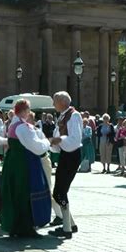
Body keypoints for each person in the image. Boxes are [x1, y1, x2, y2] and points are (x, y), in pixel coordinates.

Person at [1, 99, 51, 237]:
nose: (29, 113)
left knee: (16, 194)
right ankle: (25, 227)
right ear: (24, 111)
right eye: (28, 110)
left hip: (14, 163)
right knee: (24, 195)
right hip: (23, 165)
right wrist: (47, 142)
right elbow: (36, 147)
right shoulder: (22, 127)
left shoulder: (14, 124)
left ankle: (16, 227)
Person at [48, 91, 81, 239]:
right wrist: (53, 142)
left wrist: (59, 140)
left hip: (72, 155)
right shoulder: (62, 116)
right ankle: (70, 224)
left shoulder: (74, 115)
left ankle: (67, 228)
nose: (53, 104)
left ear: (62, 102)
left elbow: (75, 139)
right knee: (60, 191)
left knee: (59, 192)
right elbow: (58, 140)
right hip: (66, 155)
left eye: (55, 101)